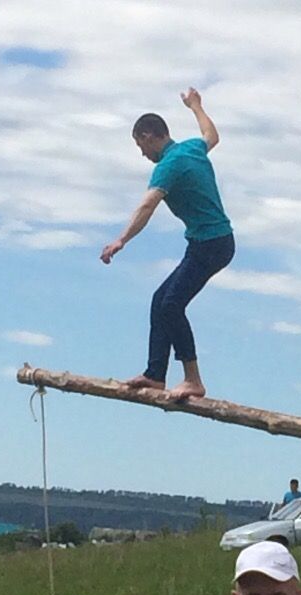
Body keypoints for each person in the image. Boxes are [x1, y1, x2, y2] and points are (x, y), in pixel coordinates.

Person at [100, 88, 234, 400]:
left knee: (172, 304)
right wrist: (196, 106)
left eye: (139, 145)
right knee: (160, 300)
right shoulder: (191, 149)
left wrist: (121, 240)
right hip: (212, 243)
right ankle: (155, 374)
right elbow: (211, 134)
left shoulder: (168, 166)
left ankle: (193, 380)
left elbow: (147, 206)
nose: (142, 153)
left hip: (211, 244)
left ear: (149, 136)